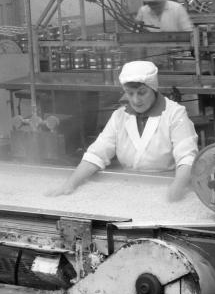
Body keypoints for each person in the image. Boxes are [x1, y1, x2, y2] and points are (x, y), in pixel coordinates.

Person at [47, 60, 198, 201]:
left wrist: (177, 187)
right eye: (130, 93)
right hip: (129, 186)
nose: (136, 100)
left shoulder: (174, 114)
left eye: (142, 92)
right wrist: (71, 183)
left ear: (153, 88)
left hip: (167, 184)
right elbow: (97, 154)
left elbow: (187, 157)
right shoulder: (119, 116)